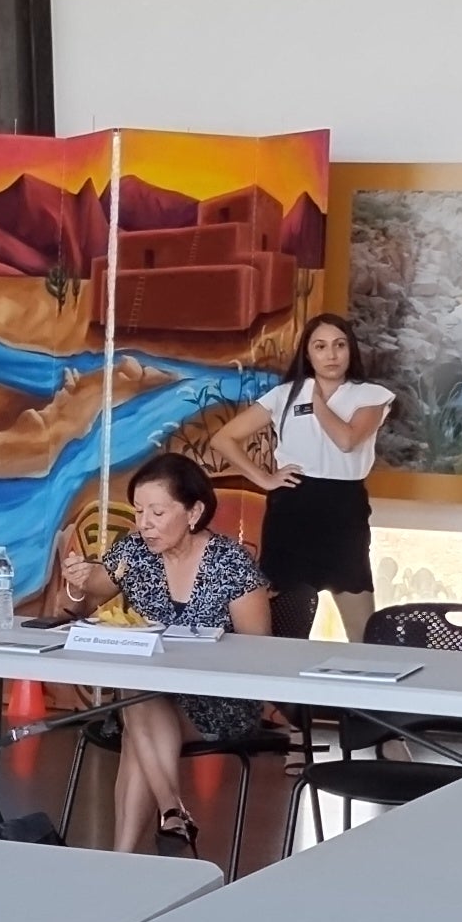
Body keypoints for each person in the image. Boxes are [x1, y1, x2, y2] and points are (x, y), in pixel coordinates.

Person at [38, 450, 274, 856]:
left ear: (194, 511)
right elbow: (83, 599)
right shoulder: (134, 551)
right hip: (150, 695)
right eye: (139, 511)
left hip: (217, 699)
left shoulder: (231, 562)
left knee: (136, 713)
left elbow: (259, 653)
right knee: (139, 699)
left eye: (157, 512)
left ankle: (130, 851)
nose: (144, 524)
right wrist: (77, 583)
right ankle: (170, 815)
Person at [213, 312, 393, 641]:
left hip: (343, 508)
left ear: (350, 350)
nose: (331, 354)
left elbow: (347, 440)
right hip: (292, 506)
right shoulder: (283, 395)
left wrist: (315, 401)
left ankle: (361, 691)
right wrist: (265, 479)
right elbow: (223, 439)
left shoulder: (371, 395)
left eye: (339, 345)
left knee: (363, 630)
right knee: (282, 623)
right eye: (320, 346)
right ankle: (275, 692)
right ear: (307, 353)